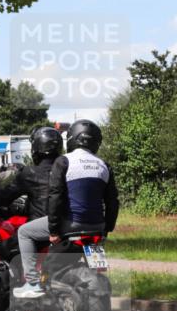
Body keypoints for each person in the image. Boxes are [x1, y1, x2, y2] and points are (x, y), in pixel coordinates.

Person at [13, 119, 118, 298]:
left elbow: (55, 197)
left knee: (24, 232)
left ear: (71, 139)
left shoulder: (64, 162)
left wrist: (54, 230)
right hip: (97, 229)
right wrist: (106, 228)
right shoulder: (104, 165)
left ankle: (32, 283)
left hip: (69, 225)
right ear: (96, 142)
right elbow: (113, 201)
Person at [0, 126, 62, 220]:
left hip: (40, 227)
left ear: (36, 147)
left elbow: (5, 195)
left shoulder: (30, 172)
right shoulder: (67, 170)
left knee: (18, 233)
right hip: (66, 225)